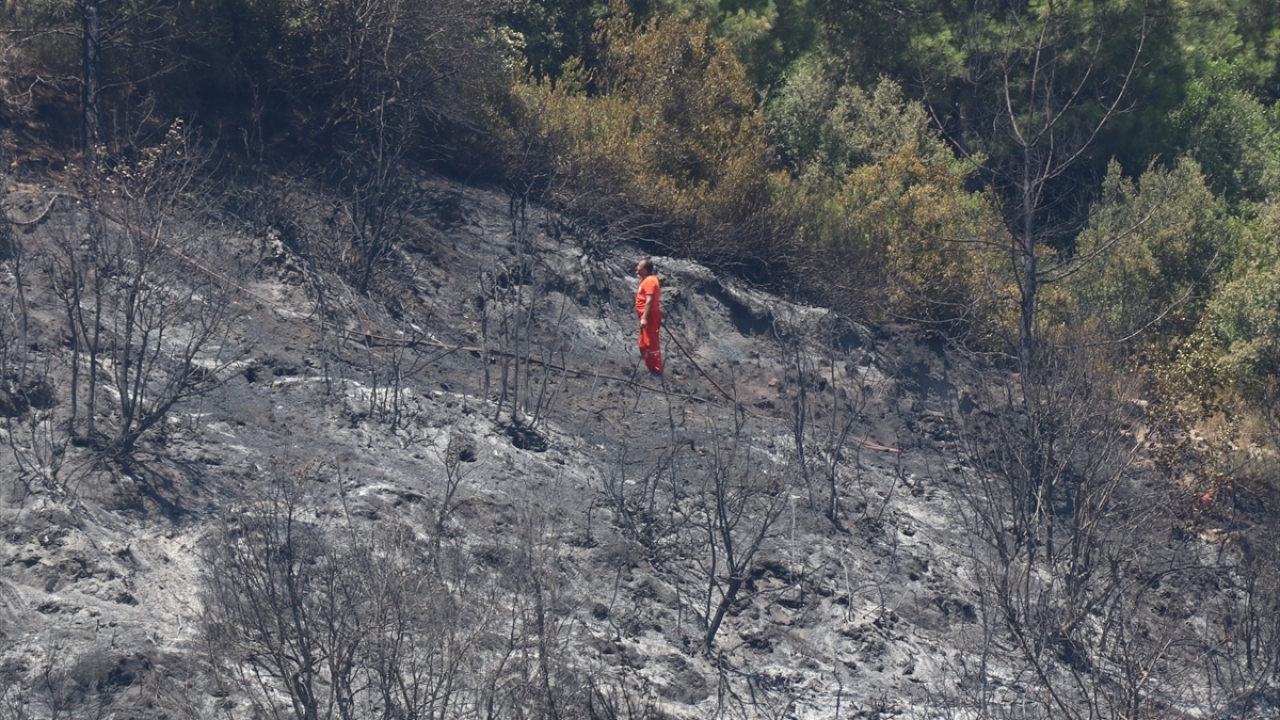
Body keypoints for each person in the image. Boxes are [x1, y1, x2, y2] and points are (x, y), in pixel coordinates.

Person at [635, 258, 664, 374]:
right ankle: (649, 365)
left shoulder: (650, 281)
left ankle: (656, 369)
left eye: (639, 267)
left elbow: (649, 301)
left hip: (650, 316)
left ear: (646, 270)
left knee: (651, 343)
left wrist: (645, 319)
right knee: (643, 343)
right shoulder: (646, 280)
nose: (637, 268)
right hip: (647, 316)